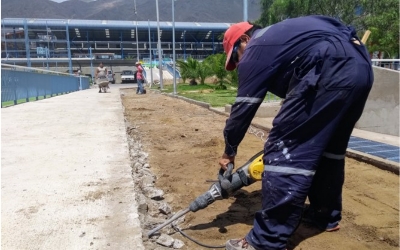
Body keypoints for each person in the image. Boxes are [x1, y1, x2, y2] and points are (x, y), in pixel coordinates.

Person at [218, 15, 373, 250]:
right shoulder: (283, 34)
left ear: (244, 40)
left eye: (235, 56)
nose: (239, 64)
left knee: (284, 151)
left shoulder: (256, 49)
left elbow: (243, 109)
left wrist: (229, 152)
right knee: (330, 150)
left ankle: (265, 241)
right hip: (360, 67)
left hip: (328, 68)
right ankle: (325, 216)